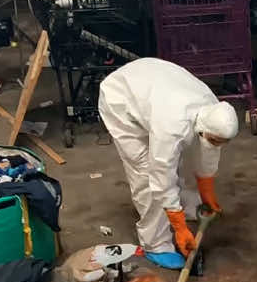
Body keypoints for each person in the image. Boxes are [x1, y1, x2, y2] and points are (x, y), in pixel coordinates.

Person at [98, 57, 240, 271]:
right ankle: (155, 244)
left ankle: (180, 205)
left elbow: (208, 149)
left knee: (176, 157)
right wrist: (179, 227)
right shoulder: (173, 127)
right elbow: (161, 175)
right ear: (202, 129)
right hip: (121, 101)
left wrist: (206, 191)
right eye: (214, 139)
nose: (217, 144)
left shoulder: (213, 109)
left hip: (150, 89)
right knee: (147, 174)